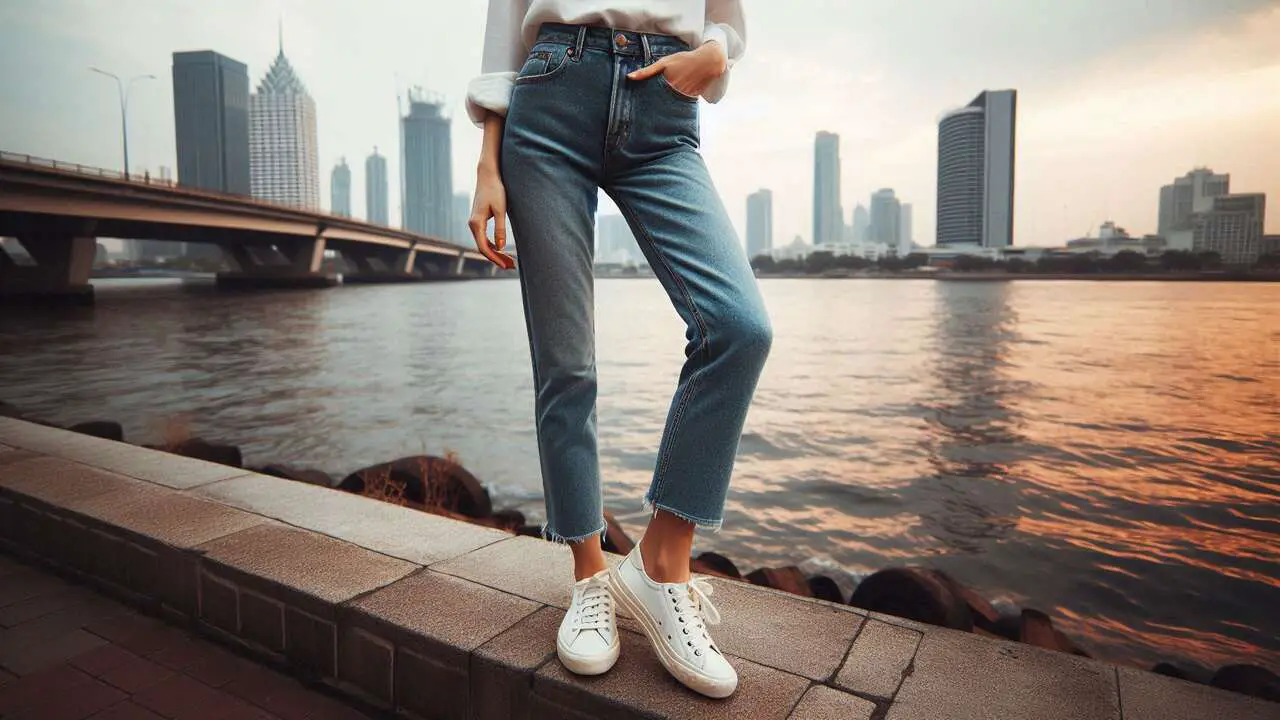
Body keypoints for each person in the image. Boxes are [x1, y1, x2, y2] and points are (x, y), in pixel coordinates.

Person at [466, 0, 768, 699]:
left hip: (664, 105)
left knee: (739, 326)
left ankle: (661, 567)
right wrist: (488, 162)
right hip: (549, 96)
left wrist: (717, 53)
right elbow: (501, 28)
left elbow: (727, 18)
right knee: (566, 366)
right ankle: (589, 578)